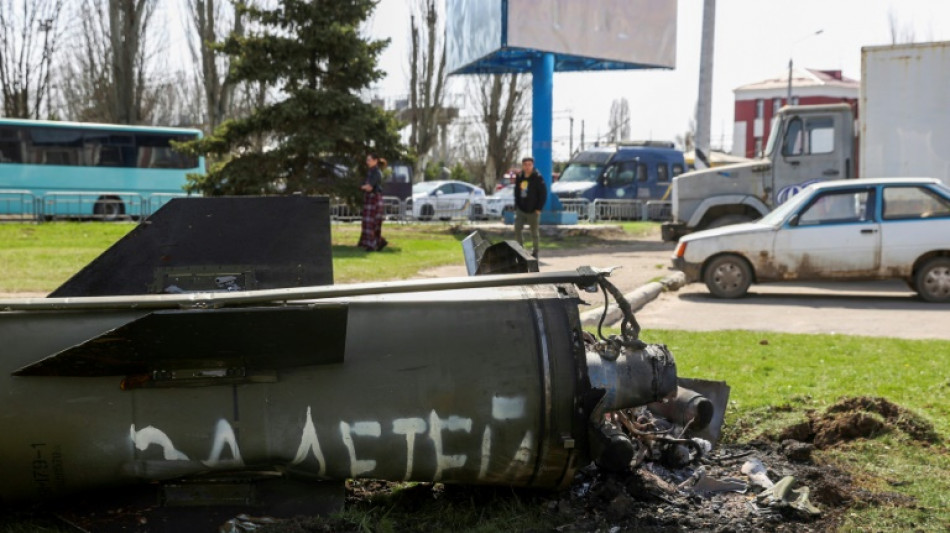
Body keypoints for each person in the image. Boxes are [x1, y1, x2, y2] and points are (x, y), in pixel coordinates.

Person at [513, 156, 547, 259]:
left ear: (532, 165)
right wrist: (516, 205)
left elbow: (543, 194)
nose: (527, 167)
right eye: (525, 165)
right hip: (521, 209)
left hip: (533, 210)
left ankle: (535, 251)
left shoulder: (538, 177)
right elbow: (517, 192)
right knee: (517, 228)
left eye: (529, 165)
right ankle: (520, 250)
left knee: (534, 231)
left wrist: (539, 208)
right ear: (522, 166)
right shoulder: (520, 177)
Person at [358, 153, 389, 252]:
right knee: (367, 222)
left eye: (369, 160)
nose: (367, 162)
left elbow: (369, 187)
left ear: (375, 161)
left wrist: (362, 187)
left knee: (372, 223)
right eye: (367, 160)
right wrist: (363, 186)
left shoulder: (376, 172)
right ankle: (378, 242)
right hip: (369, 198)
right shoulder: (370, 172)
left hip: (374, 198)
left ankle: (372, 244)